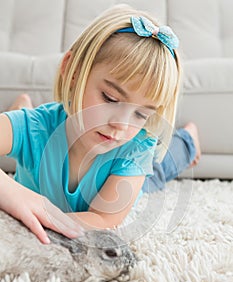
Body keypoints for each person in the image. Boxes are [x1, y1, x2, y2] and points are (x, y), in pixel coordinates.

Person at [0, 5, 200, 244]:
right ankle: (21, 108)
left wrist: (37, 221)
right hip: (35, 122)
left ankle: (189, 139)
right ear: (72, 73)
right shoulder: (34, 128)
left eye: (141, 114)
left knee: (160, 168)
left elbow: (103, 219)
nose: (120, 125)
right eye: (110, 99)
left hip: (132, 177)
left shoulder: (136, 147)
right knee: (23, 121)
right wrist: (11, 190)